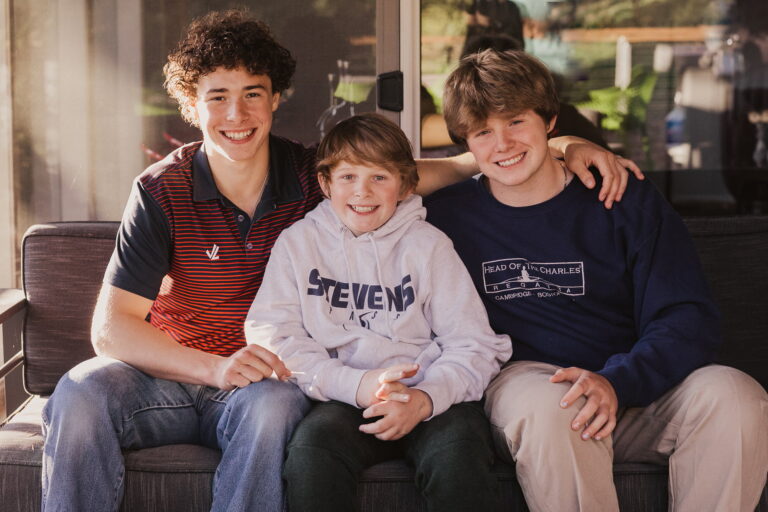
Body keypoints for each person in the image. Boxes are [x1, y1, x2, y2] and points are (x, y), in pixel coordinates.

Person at [39, 9, 641, 512]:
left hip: (266, 385)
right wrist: (215, 369)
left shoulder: (318, 177)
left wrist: (562, 144)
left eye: (253, 95)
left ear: (276, 99)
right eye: (217, 98)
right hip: (181, 374)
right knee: (78, 392)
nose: (236, 115)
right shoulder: (161, 190)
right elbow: (111, 330)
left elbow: (451, 165)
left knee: (273, 411)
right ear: (191, 106)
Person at [425, 49, 768, 512]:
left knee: (736, 395)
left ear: (549, 120)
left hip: (635, 385)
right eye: (483, 131)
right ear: (466, 141)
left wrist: (617, 382)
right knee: (559, 407)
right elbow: (367, 179)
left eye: (516, 122)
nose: (502, 144)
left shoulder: (620, 196)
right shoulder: (445, 216)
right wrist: (512, 154)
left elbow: (686, 315)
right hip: (527, 386)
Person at [245, 112, 511, 511]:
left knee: (458, 455)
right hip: (344, 397)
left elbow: (473, 343)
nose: (362, 192)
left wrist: (425, 398)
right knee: (313, 450)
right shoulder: (298, 243)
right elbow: (275, 335)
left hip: (431, 397)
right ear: (325, 183)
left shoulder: (429, 247)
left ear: (405, 186)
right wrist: (356, 385)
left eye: (379, 177)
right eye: (348, 177)